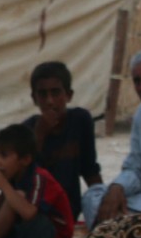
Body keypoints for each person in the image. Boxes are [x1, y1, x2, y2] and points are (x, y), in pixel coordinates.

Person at [10, 60, 102, 219]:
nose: (49, 101)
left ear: (68, 95)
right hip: (34, 211)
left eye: (56, 93)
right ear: (34, 98)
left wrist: (101, 200)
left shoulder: (80, 121)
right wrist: (38, 135)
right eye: (43, 94)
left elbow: (90, 170)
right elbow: (19, 183)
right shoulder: (25, 131)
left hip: (67, 211)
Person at [85, 49, 141, 227]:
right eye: (137, 81)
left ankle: (130, 228)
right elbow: (136, 168)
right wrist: (118, 187)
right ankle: (135, 228)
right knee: (94, 196)